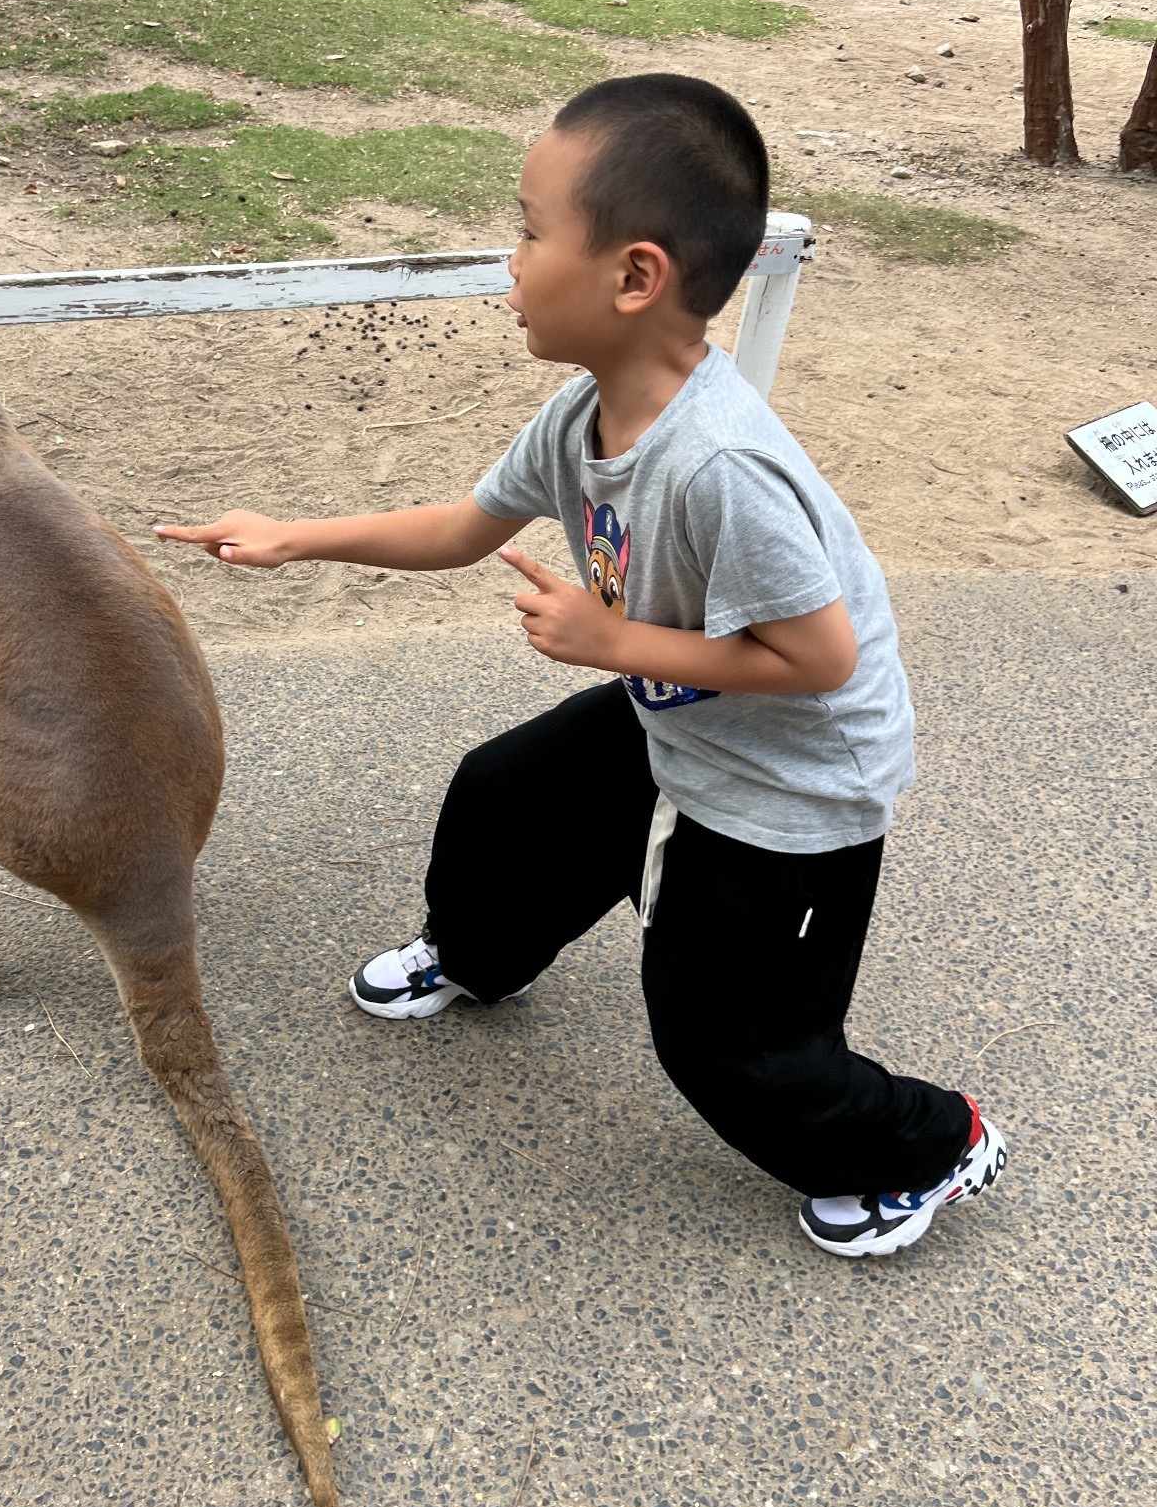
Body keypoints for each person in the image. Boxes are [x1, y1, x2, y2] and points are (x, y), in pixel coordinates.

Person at [156, 73, 1007, 1259]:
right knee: (510, 792)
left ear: (635, 275)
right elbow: (464, 525)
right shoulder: (581, 416)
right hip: (687, 702)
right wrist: (296, 536)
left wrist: (614, 645)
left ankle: (931, 1142)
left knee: (720, 1034)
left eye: (527, 229)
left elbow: (821, 658)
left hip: (800, 780)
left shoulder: (720, 465)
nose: (506, 258)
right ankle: (477, 950)